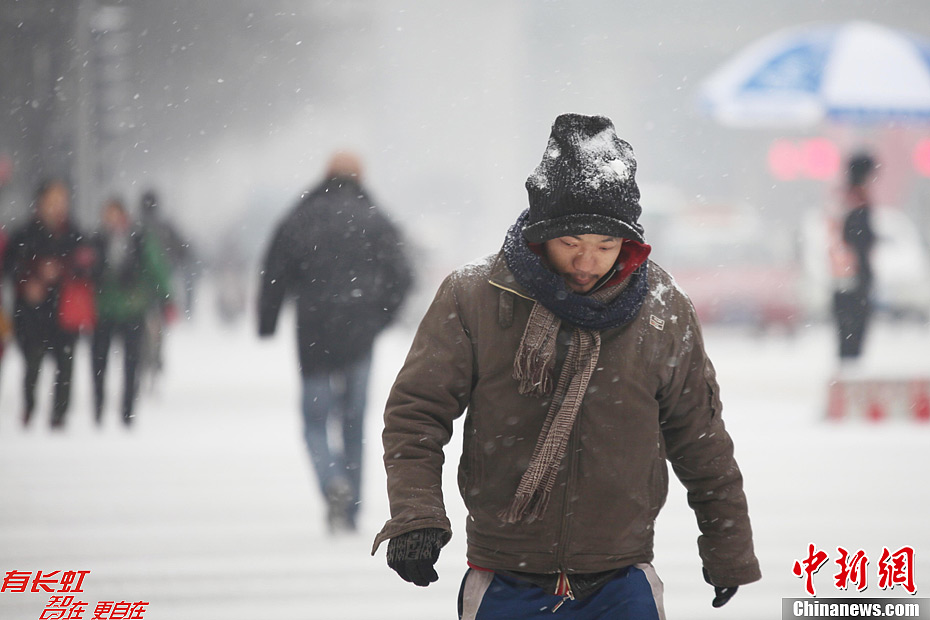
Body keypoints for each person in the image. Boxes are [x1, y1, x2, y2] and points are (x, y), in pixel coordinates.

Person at [371, 114, 761, 618]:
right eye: (570, 243)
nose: (586, 262)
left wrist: (727, 547)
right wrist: (416, 516)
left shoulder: (664, 309)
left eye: (605, 245)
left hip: (622, 577)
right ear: (539, 235)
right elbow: (416, 414)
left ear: (631, 243)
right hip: (504, 575)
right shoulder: (476, 296)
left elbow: (700, 437)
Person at [258, 151, 413, 533]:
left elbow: (275, 270)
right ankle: (352, 509)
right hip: (360, 334)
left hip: (313, 334)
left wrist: (267, 321)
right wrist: (381, 318)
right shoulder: (376, 219)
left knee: (314, 421)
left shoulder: (302, 216)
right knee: (354, 422)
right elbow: (403, 276)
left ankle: (332, 481)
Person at [4, 179, 92, 428]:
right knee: (32, 363)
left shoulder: (74, 233)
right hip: (32, 312)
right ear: (40, 203)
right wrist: (29, 280)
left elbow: (88, 265)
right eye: (52, 200)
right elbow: (10, 267)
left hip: (64, 311)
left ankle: (59, 415)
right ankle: (29, 407)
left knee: (65, 365)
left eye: (61, 200)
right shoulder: (24, 233)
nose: (57, 206)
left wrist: (63, 271)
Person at [90, 197, 173, 426]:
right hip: (103, 310)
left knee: (132, 361)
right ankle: (98, 407)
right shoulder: (96, 240)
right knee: (99, 362)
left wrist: (166, 298)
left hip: (133, 309)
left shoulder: (138, 239)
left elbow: (156, 268)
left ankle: (127, 409)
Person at [831, 153, 878, 362]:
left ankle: (848, 371)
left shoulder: (844, 200)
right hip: (853, 277)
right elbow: (856, 240)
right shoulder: (857, 201)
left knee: (848, 334)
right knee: (853, 334)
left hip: (843, 276)